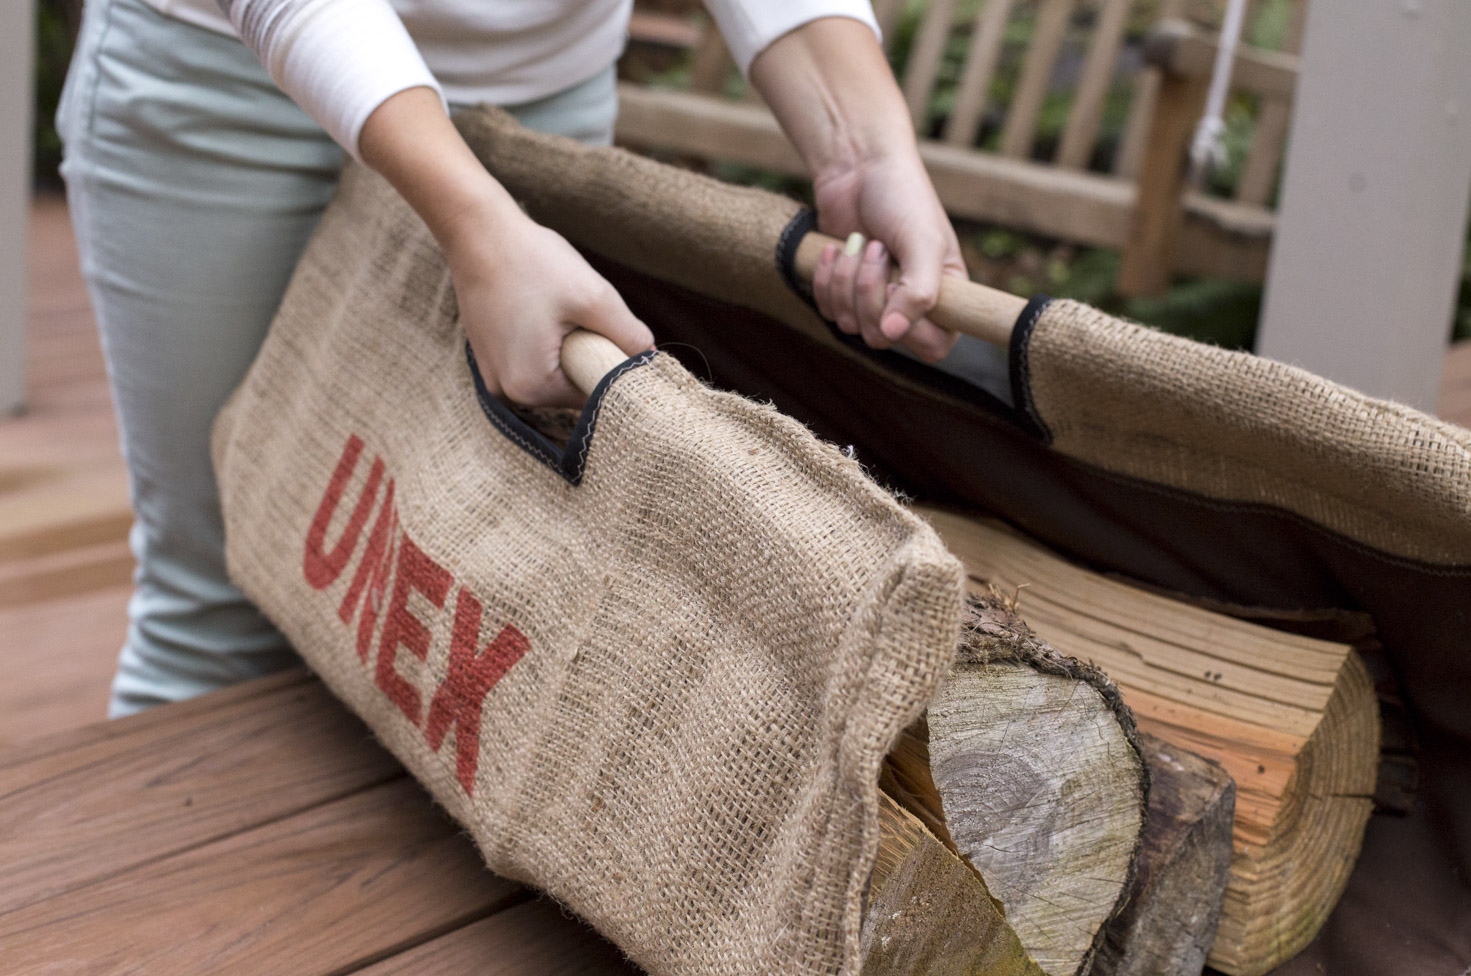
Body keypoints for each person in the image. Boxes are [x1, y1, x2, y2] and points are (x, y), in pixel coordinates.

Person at [56, 0, 969, 718]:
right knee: (213, 600)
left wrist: (863, 151)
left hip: (540, 101)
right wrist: (476, 223)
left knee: (469, 602)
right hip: (230, 85)